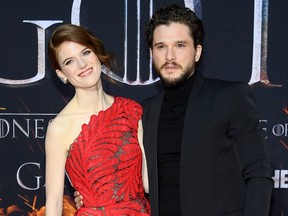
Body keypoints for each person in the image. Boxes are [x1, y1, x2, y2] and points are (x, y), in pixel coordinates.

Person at [75, 4, 274, 216]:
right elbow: (130, 180)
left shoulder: (229, 97)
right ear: (151, 53)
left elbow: (259, 173)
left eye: (180, 45)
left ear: (197, 52)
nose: (170, 56)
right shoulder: (145, 112)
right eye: (161, 47)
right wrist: (93, 197)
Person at [44, 24, 150, 216]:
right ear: (61, 74)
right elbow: (54, 202)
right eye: (69, 61)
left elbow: (149, 182)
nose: (82, 64)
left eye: (85, 52)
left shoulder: (131, 111)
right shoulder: (60, 128)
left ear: (96, 53)